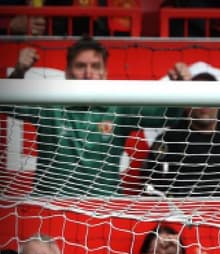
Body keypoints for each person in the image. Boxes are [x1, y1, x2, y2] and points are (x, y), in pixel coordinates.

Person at [3, 36, 190, 196]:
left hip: (104, 210)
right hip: (51, 207)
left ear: (105, 73)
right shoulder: (49, 104)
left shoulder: (119, 107)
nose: (88, 73)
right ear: (67, 73)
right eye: (80, 66)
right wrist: (19, 71)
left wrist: (180, 90)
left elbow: (167, 117)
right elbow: (7, 103)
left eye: (95, 66)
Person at [140, 71, 220, 199]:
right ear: (188, 103)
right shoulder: (169, 141)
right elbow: (152, 186)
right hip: (180, 214)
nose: (204, 104)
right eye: (199, 97)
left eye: (210, 97)